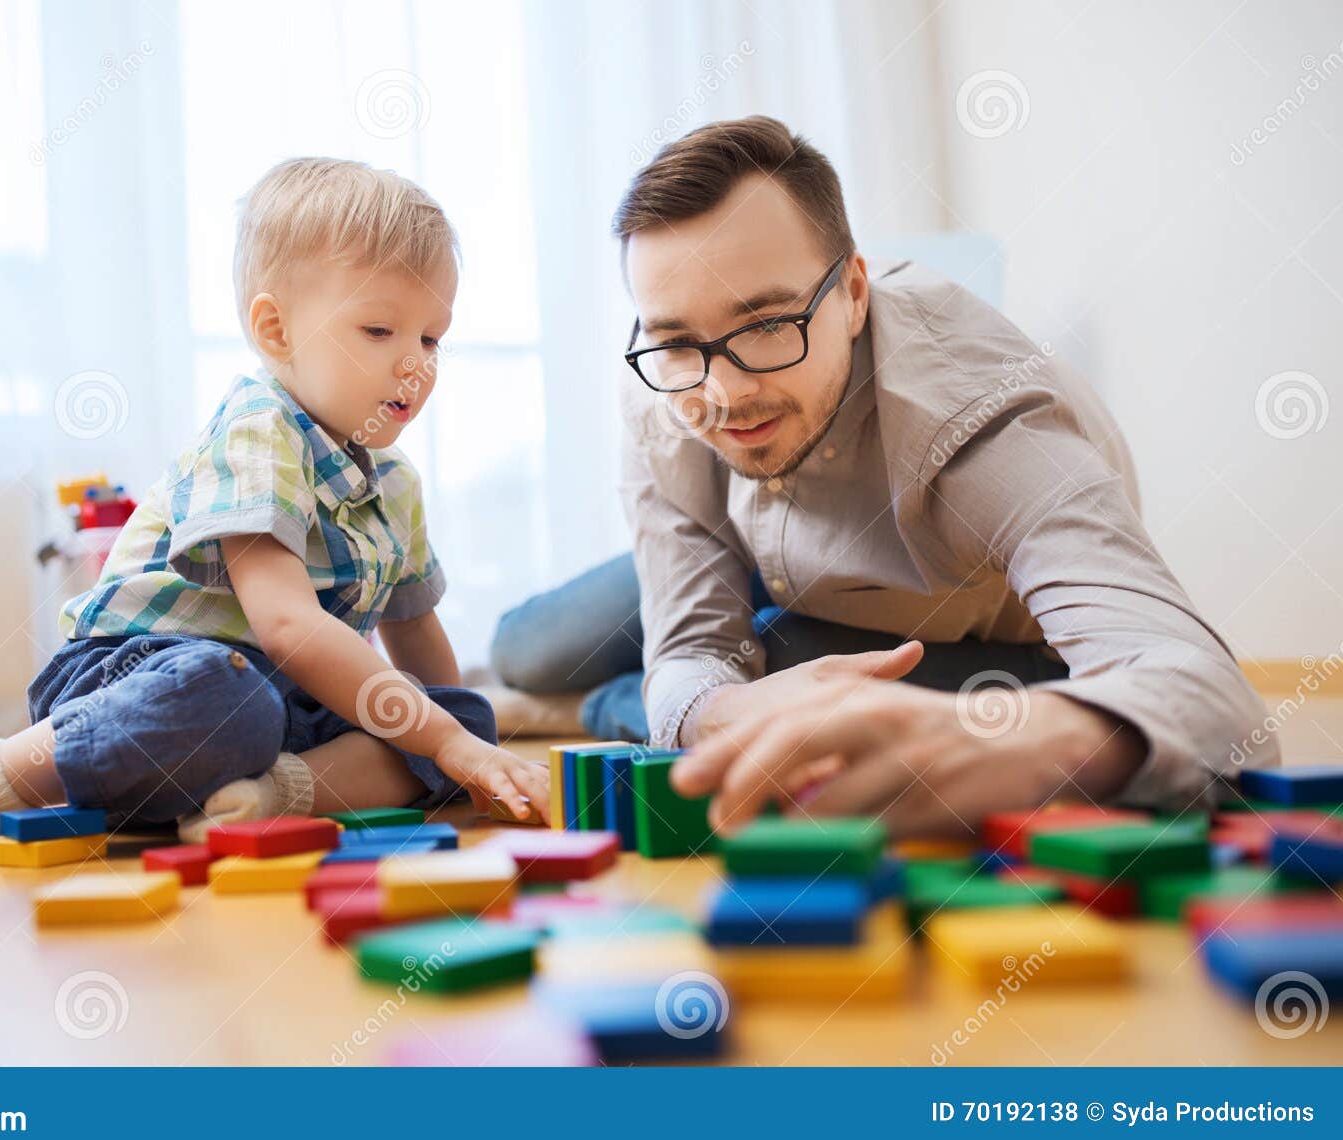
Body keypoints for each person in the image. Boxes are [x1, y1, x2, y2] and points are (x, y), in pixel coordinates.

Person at [493, 116, 1274, 837]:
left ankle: (614, 702)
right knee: (527, 650)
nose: (723, 394)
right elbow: (697, 643)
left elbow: (1217, 703)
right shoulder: (665, 384)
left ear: (856, 293)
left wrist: (1026, 740)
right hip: (759, 552)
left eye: (766, 326)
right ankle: (631, 695)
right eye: (677, 339)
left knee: (785, 656)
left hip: (966, 634)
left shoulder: (987, 421)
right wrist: (717, 704)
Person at [0, 158, 545, 876]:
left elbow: (415, 634)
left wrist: (461, 743)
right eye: (379, 331)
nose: (415, 365)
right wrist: (442, 743)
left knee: (462, 711)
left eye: (431, 339)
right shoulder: (258, 431)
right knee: (230, 694)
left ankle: (272, 796)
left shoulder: (394, 484)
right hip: (142, 680)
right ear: (276, 331)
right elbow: (288, 627)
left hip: (284, 712)